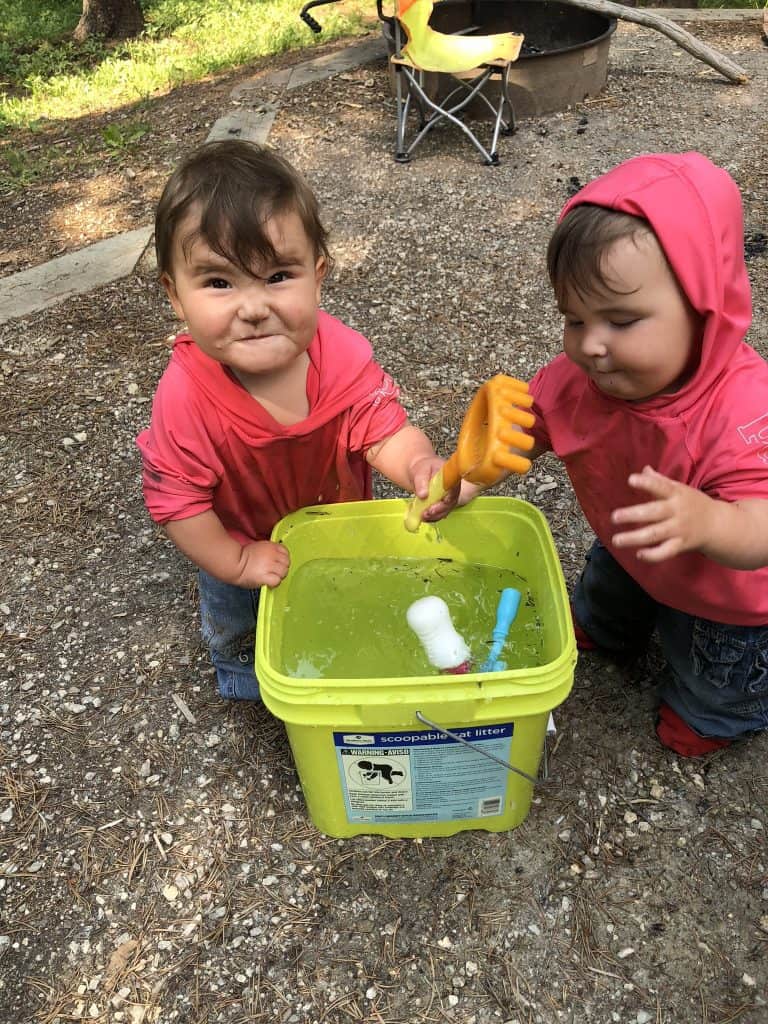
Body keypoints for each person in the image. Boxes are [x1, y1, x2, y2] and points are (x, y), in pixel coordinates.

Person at [136, 139, 459, 701]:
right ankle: (244, 678)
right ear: (175, 296)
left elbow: (381, 427)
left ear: (318, 274)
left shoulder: (339, 354)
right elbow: (178, 503)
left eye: (278, 276)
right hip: (239, 536)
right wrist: (236, 560)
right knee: (239, 618)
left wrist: (419, 465)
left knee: (344, 593)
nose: (254, 306)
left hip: (335, 526)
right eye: (218, 282)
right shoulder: (186, 397)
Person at [517, 152, 768, 757]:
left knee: (718, 682)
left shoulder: (742, 408)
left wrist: (710, 521)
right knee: (607, 592)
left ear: (704, 305)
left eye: (622, 320)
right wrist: (471, 475)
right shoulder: (581, 378)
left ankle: (721, 716)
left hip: (728, 591)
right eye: (574, 319)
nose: (592, 345)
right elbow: (531, 427)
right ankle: (608, 627)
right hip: (630, 540)